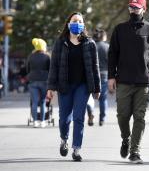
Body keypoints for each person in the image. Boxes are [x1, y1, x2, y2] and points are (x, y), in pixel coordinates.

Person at [108, 0, 149, 164]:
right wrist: (111, 76)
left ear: (144, 9)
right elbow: (112, 54)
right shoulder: (119, 29)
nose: (133, 10)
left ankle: (135, 151)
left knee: (139, 117)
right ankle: (126, 139)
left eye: (136, 7)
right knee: (122, 116)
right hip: (123, 80)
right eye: (131, 7)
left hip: (144, 82)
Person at [46, 12, 101, 162]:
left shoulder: (90, 44)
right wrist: (51, 87)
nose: (77, 23)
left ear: (83, 25)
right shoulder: (60, 42)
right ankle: (64, 139)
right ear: (69, 24)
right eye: (74, 20)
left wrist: (97, 88)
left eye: (80, 21)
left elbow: (95, 67)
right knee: (64, 119)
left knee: (78, 117)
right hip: (65, 85)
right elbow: (54, 66)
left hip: (82, 86)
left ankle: (76, 149)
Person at [86, 28, 109, 126]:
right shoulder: (107, 47)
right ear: (103, 36)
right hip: (104, 75)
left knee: (89, 97)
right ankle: (102, 119)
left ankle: (90, 113)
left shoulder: (90, 46)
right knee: (103, 99)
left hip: (90, 75)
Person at [26, 38, 50, 128]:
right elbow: (50, 69)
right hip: (44, 80)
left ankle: (35, 121)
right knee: (43, 101)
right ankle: (43, 121)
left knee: (34, 102)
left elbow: (27, 69)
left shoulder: (30, 56)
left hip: (32, 80)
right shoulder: (47, 56)